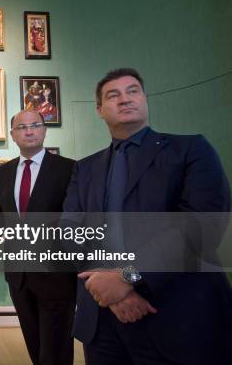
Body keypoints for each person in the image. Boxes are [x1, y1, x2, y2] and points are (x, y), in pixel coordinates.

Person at [63, 68, 231, 364]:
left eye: (133, 91)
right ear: (100, 110)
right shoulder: (84, 168)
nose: (125, 99)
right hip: (103, 321)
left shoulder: (191, 149)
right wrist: (114, 292)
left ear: (145, 99)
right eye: (113, 95)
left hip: (176, 315)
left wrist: (127, 278)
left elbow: (200, 228)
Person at [0, 109, 77, 365]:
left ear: (45, 130)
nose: (29, 131)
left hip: (57, 276)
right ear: (12, 135)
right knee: (34, 346)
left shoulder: (69, 169)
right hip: (18, 276)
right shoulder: (2, 173)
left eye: (35, 125)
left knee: (55, 351)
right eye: (22, 127)